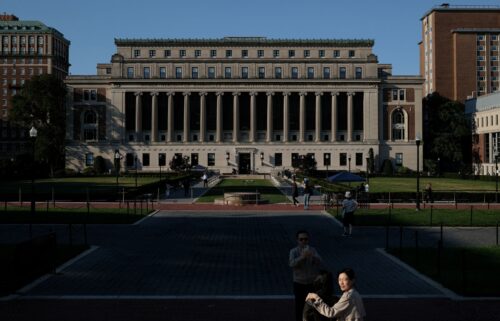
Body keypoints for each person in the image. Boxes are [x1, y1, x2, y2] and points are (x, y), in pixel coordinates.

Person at [289, 230, 323, 321]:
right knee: (299, 305)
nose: (303, 241)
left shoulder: (312, 250)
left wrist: (313, 256)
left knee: (313, 305)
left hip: (311, 283)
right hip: (299, 283)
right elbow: (291, 264)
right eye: (301, 239)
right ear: (297, 240)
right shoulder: (293, 251)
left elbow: (320, 261)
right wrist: (302, 257)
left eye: (306, 239)